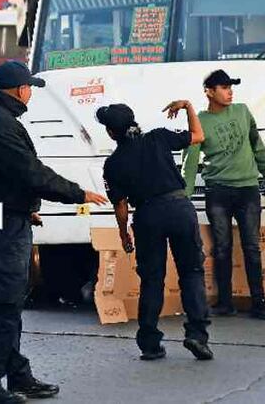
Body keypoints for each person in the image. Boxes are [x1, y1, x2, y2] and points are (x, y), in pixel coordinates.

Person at [0, 61, 108, 404]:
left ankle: (17, 374)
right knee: (3, 302)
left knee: (10, 301)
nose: (31, 93)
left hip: (3, 213)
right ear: (18, 90)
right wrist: (78, 193)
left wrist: (25, 209)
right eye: (29, 87)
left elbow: (5, 179)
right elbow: (30, 173)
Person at [100, 101, 213, 362]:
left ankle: (150, 343)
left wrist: (123, 233)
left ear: (110, 132)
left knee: (152, 279)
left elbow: (121, 205)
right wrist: (188, 107)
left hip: (148, 215)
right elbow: (198, 136)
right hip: (179, 208)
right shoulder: (158, 138)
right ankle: (197, 334)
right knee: (192, 272)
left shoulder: (113, 164)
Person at [181, 69, 265, 320]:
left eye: (231, 87)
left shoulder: (243, 111)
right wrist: (185, 194)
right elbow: (190, 161)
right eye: (224, 87)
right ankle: (225, 302)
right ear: (209, 92)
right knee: (222, 248)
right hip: (218, 192)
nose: (230, 91)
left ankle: (260, 302)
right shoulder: (199, 121)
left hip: (247, 189)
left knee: (252, 247)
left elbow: (256, 143)